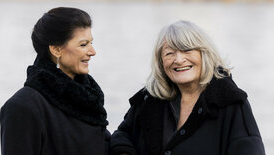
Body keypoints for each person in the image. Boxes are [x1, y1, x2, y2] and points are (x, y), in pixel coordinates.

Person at [110, 20, 265, 155]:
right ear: (161, 63)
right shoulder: (150, 98)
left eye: (187, 50)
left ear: (204, 54)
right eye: (169, 53)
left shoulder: (230, 102)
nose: (178, 60)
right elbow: (122, 135)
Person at [0, 7, 110, 155]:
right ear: (56, 50)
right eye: (83, 44)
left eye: (91, 43)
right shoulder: (23, 107)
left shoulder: (88, 100)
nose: (92, 52)